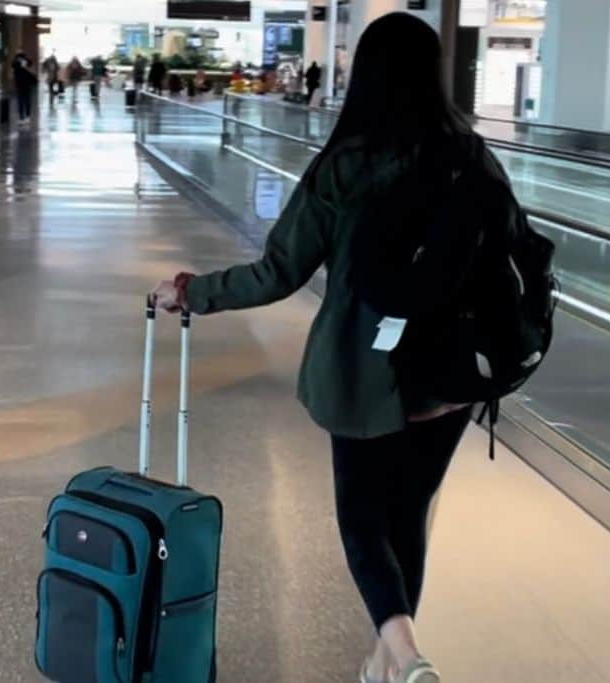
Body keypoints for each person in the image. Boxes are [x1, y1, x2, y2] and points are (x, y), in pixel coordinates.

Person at [151, 13, 513, 683]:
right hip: (450, 377)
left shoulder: (347, 165)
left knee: (363, 524)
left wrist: (192, 292)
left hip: (367, 373)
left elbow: (277, 273)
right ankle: (384, 666)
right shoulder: (471, 155)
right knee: (408, 518)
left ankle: (405, 655)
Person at [11, 51, 37, 124]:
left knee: (22, 101)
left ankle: (23, 117)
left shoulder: (21, 63)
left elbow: (29, 63)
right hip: (25, 84)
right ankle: (26, 117)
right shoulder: (17, 64)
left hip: (21, 85)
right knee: (25, 101)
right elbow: (13, 64)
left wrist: (23, 61)